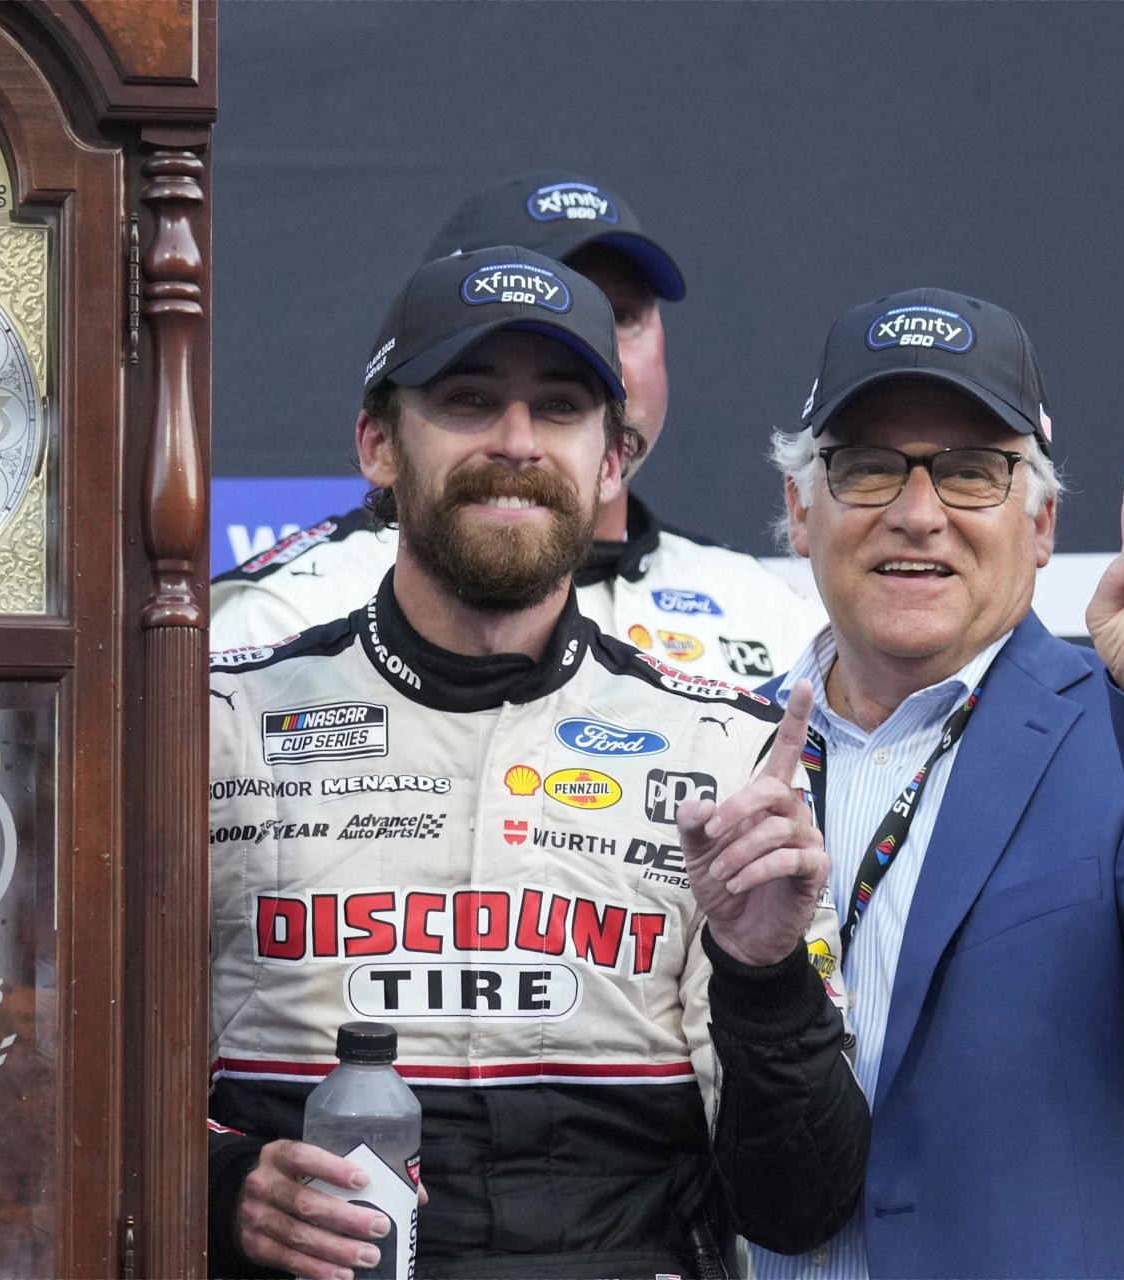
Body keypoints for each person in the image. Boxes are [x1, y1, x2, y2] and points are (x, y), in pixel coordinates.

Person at [207, 245, 868, 1280]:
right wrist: (223, 1191)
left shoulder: (723, 753)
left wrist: (765, 977)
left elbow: (800, 1204)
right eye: (469, 399)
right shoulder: (219, 722)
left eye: (559, 407)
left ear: (613, 460)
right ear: (378, 443)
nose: (515, 442)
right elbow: (78, 1074)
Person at [744, 286, 1124, 1278]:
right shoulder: (718, 750)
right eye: (865, 467)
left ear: (1042, 524)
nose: (917, 511)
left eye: (974, 472)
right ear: (799, 508)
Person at [211, 170, 824, 688]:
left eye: (622, 317)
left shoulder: (782, 616)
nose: (601, 350)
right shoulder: (278, 621)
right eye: (545, 316)